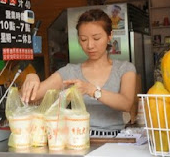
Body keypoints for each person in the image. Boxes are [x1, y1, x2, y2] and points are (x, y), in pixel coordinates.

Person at [21, 9, 136, 137]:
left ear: (110, 36)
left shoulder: (125, 69)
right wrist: (32, 76)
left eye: (96, 38)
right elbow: (30, 97)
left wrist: (91, 90)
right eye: (83, 39)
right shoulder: (70, 71)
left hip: (116, 140)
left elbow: (126, 103)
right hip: (77, 139)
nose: (90, 45)